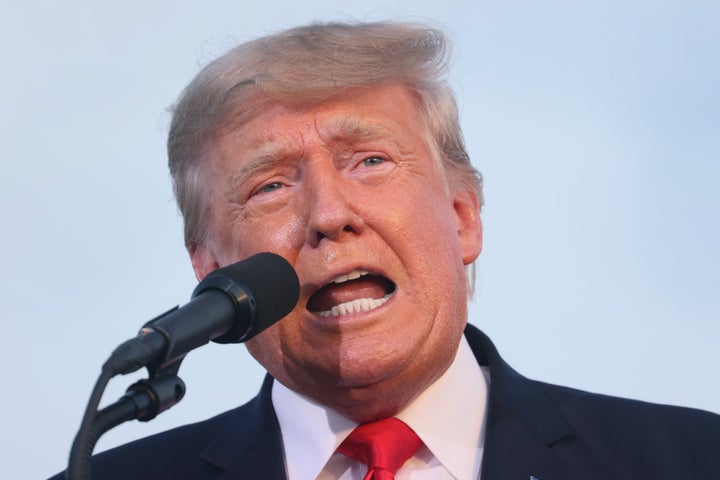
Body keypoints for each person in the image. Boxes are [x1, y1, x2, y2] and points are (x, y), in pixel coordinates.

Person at [52, 21, 720, 480]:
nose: (329, 216)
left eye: (369, 160)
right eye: (271, 184)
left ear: (463, 219)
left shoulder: (690, 460)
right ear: (210, 269)